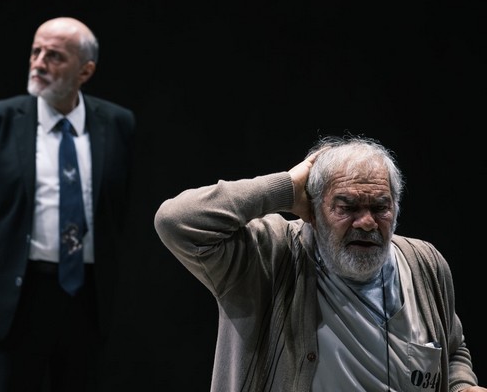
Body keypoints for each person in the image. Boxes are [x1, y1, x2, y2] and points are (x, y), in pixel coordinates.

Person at [154, 135, 485, 391]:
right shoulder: (269, 255)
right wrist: (286, 189)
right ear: (312, 209)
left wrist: (461, 385)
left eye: (380, 207)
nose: (367, 222)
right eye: (347, 207)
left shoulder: (424, 264)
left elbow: (451, 349)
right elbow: (175, 221)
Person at [0, 16, 136, 391]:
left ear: (85, 71)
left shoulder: (118, 124)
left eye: (54, 55)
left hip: (85, 298)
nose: (38, 63)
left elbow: (117, 210)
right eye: (35, 51)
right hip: (18, 296)